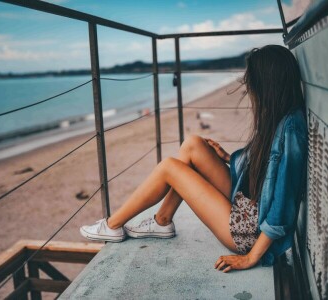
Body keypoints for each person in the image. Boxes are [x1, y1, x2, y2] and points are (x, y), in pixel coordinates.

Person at [80, 45, 308, 272]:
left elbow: (282, 204)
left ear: (269, 85)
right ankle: (162, 220)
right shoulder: (280, 116)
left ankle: (112, 225)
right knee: (193, 144)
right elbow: (265, 170)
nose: (249, 91)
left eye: (253, 84)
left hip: (247, 231)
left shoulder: (291, 128)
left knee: (169, 167)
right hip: (247, 204)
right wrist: (228, 158)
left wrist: (251, 257)